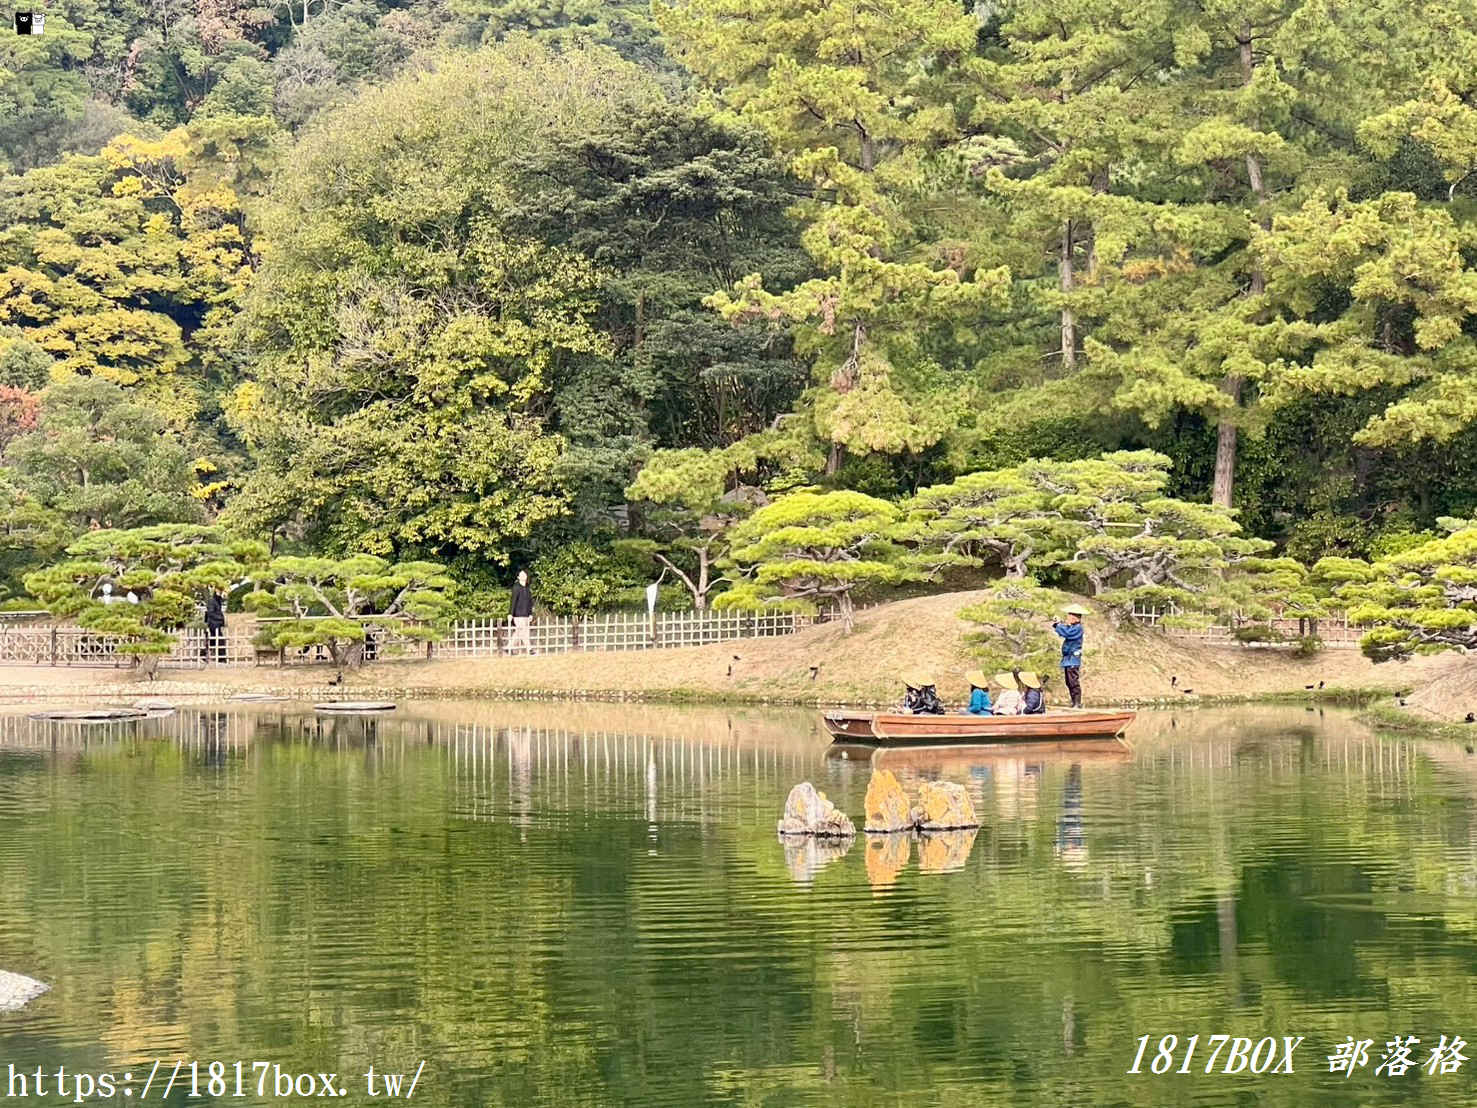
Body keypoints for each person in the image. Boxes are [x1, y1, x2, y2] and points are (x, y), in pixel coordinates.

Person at [1052, 603, 1087, 708]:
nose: (1067, 618)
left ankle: (1077, 703)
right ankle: (1074, 702)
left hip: (1073, 659)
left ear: (1075, 618)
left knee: (1073, 681)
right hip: (1068, 659)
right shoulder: (1073, 627)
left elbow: (1067, 633)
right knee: (1068, 681)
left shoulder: (1078, 628)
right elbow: (1065, 629)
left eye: (1069, 616)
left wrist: (1058, 624)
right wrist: (1057, 624)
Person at [509, 570, 535, 655]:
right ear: (518, 577)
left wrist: (530, 613)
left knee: (519, 632)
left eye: (524, 575)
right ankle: (530, 649)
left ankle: (508, 648)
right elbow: (513, 601)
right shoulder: (516, 588)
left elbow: (530, 602)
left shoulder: (527, 588)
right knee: (524, 631)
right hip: (518, 615)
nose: (523, 576)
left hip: (526, 615)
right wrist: (510, 614)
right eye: (521, 575)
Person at [204, 586, 227, 664]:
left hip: (217, 624)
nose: (220, 593)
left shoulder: (217, 600)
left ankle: (204, 655)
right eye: (219, 591)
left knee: (213, 641)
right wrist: (220, 618)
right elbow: (211, 613)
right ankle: (222, 658)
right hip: (213, 624)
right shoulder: (212, 601)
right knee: (219, 640)